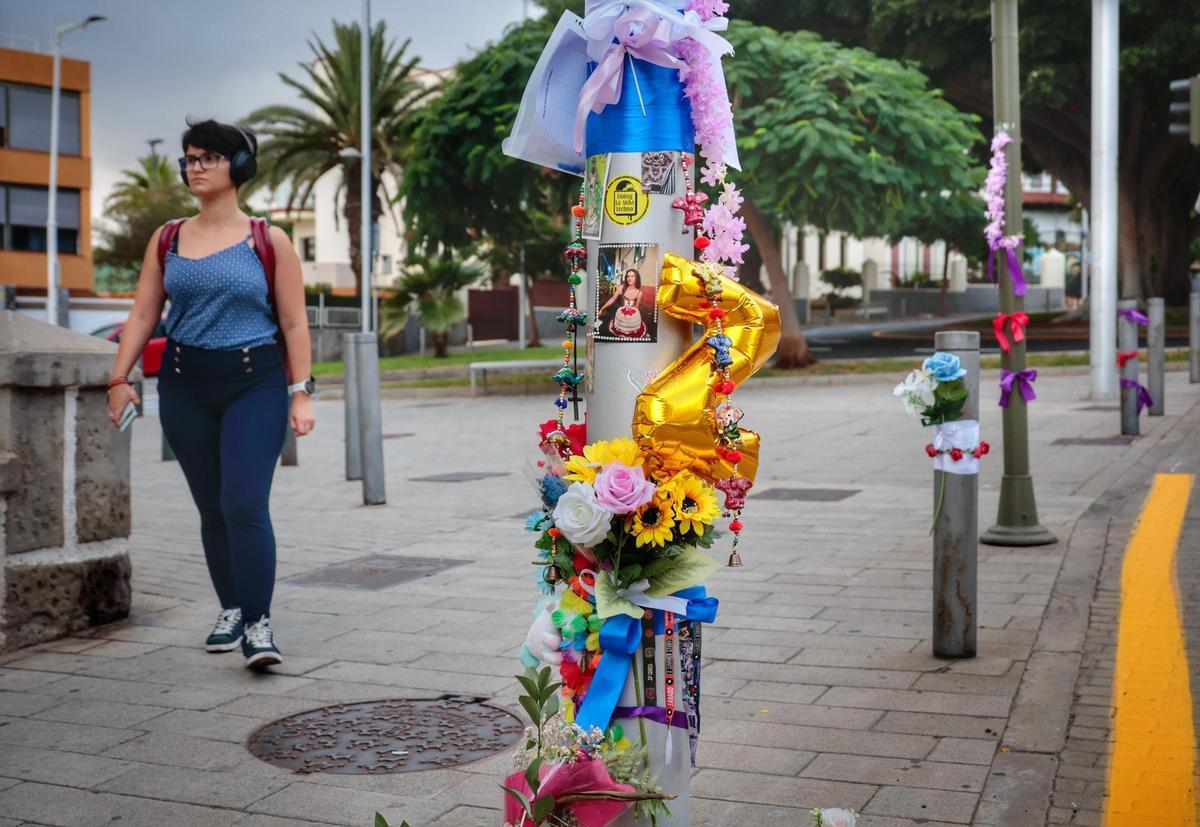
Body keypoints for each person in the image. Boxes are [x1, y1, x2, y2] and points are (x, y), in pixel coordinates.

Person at [105, 119, 314, 670]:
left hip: (256, 382)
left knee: (243, 504)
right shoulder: (168, 236)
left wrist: (301, 393)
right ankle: (231, 607)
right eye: (190, 159)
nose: (195, 167)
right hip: (184, 386)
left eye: (209, 158)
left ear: (238, 166)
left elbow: (294, 324)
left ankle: (258, 625)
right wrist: (119, 378)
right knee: (212, 509)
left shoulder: (269, 240)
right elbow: (145, 312)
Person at [597, 268, 648, 338]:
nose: (629, 278)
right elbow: (612, 299)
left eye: (632, 276)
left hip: (630, 322)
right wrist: (603, 308)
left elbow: (636, 308)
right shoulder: (622, 287)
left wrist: (633, 320)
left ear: (636, 278)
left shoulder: (640, 293)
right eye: (628, 276)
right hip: (619, 318)